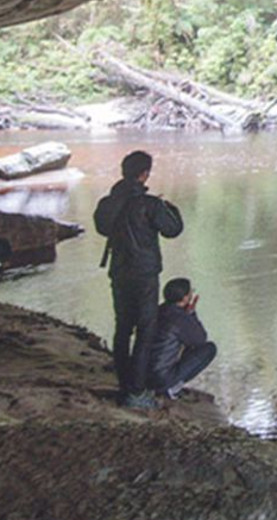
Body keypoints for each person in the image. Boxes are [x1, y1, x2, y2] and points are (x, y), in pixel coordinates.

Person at [93, 150, 183, 409]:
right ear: (145, 174)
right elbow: (173, 230)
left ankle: (124, 385)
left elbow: (102, 227)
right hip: (145, 274)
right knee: (145, 330)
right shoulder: (151, 204)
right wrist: (170, 208)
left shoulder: (108, 203)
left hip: (119, 271)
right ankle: (137, 391)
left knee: (122, 329)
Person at [148, 277, 217, 399]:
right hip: (161, 378)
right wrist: (191, 314)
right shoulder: (179, 317)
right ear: (185, 298)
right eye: (190, 292)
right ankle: (171, 387)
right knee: (209, 349)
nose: (191, 294)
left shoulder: (159, 310)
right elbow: (201, 339)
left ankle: (168, 384)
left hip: (143, 373)